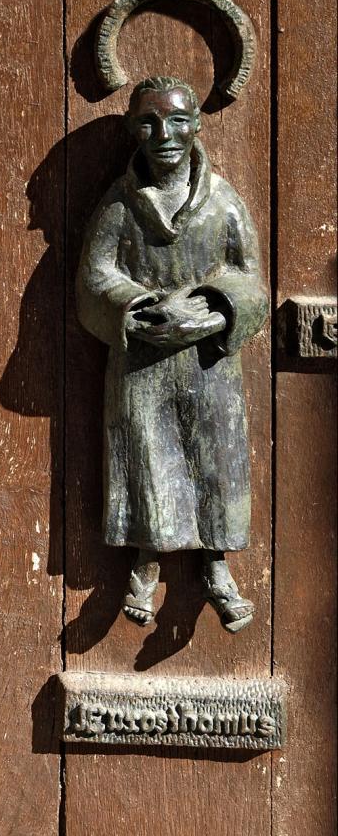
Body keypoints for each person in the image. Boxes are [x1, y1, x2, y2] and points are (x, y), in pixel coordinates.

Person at [76, 76, 268, 632]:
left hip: (210, 364)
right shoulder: (120, 205)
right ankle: (145, 563)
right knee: (148, 460)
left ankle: (217, 566)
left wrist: (215, 310)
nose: (164, 134)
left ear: (197, 125)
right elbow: (95, 279)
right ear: (134, 129)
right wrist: (137, 309)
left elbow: (250, 280)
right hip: (143, 363)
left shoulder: (222, 202)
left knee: (217, 464)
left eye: (178, 120)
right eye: (149, 122)